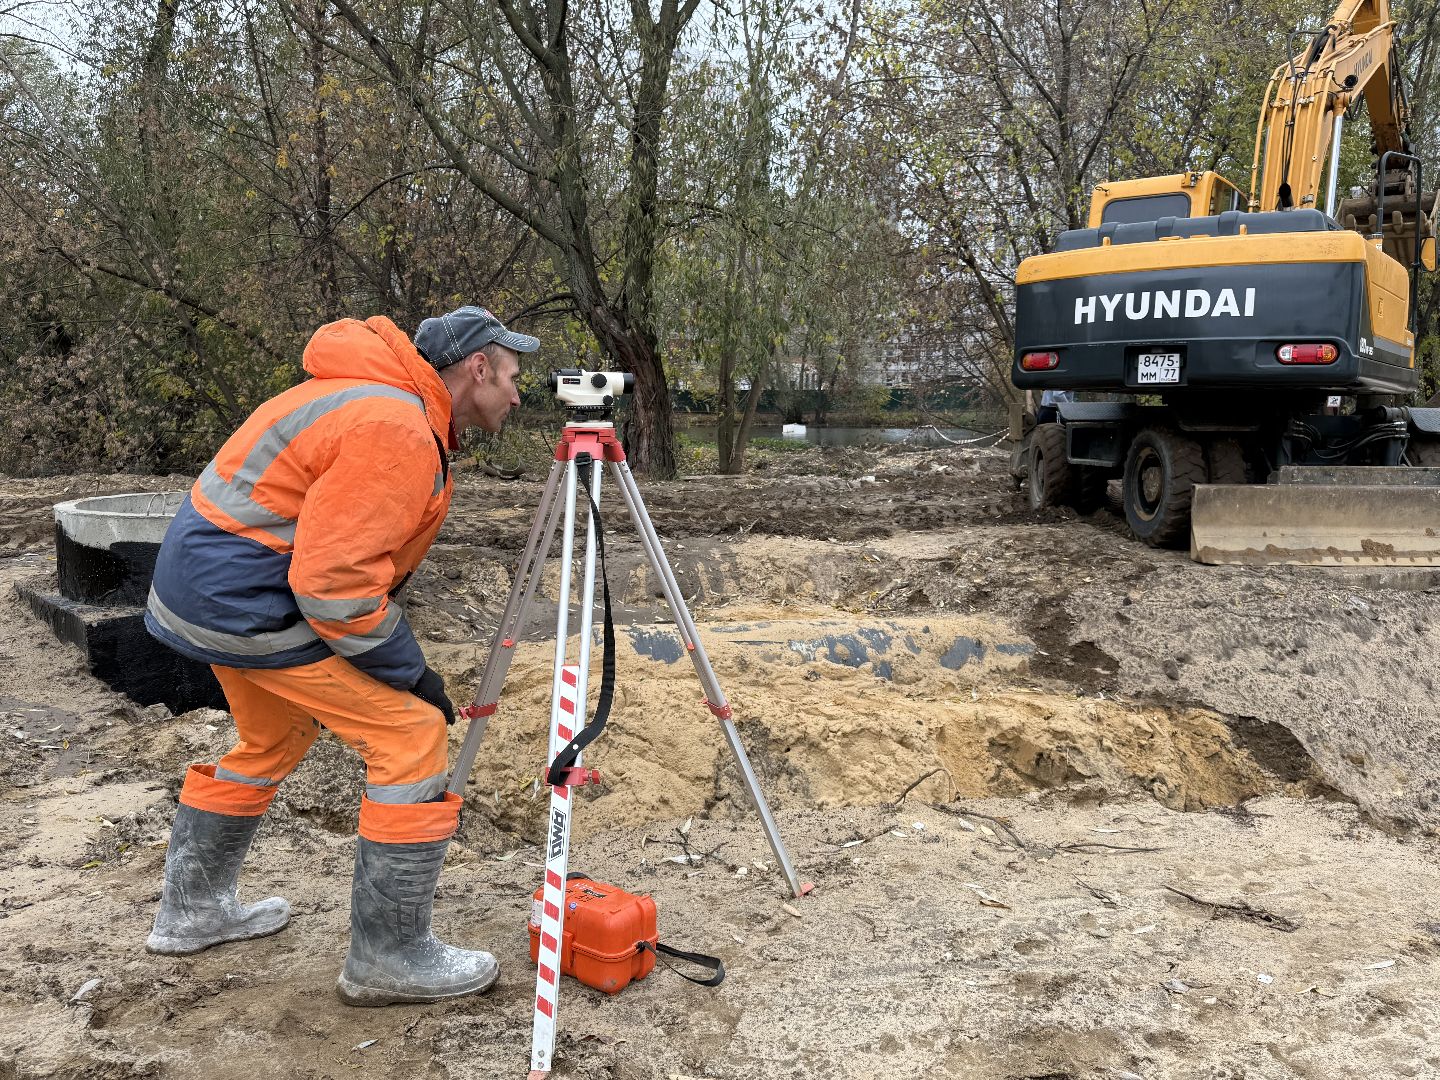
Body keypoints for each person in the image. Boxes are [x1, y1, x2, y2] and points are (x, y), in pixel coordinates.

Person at [142, 305, 533, 1006]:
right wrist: (410, 672)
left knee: (276, 733)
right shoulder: (396, 426)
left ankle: (191, 911)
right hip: (244, 595)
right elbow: (333, 587)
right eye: (511, 375)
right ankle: (388, 956)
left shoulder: (375, 397)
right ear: (478, 367)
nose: (517, 392)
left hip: (203, 585)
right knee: (411, 735)